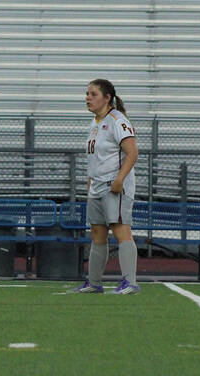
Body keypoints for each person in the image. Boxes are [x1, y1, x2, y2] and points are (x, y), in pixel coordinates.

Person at [69, 78, 140, 294]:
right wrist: (90, 182)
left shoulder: (118, 121)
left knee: (121, 230)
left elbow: (132, 152)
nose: (88, 98)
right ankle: (94, 282)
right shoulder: (95, 123)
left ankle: (130, 282)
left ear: (107, 98)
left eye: (93, 94)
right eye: (87, 94)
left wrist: (119, 179)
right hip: (97, 186)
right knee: (97, 233)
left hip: (114, 185)